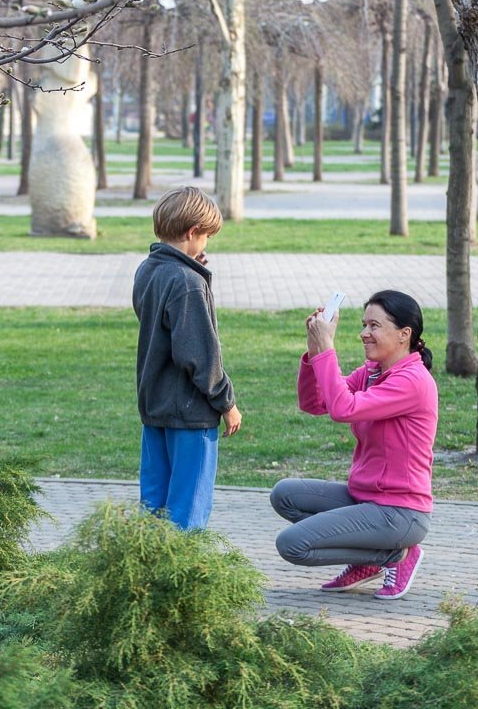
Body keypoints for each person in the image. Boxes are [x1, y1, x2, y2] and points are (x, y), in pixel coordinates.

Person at [270, 290, 436, 600]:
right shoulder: (373, 374)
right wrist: (313, 350)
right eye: (364, 325)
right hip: (365, 499)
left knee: (292, 544)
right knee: (286, 495)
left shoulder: (411, 380)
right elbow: (315, 403)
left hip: (399, 512)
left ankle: (394, 555)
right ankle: (367, 559)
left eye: (374, 326)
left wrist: (327, 349)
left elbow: (343, 409)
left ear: (404, 334)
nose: (363, 333)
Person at [132, 186, 242, 531]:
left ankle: (144, 577)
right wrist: (227, 403)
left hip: (154, 407)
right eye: (206, 236)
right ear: (193, 232)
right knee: (186, 513)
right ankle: (181, 581)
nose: (206, 244)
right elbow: (199, 354)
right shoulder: (187, 283)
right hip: (190, 413)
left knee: (153, 508)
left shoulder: (148, 271)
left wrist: (193, 269)